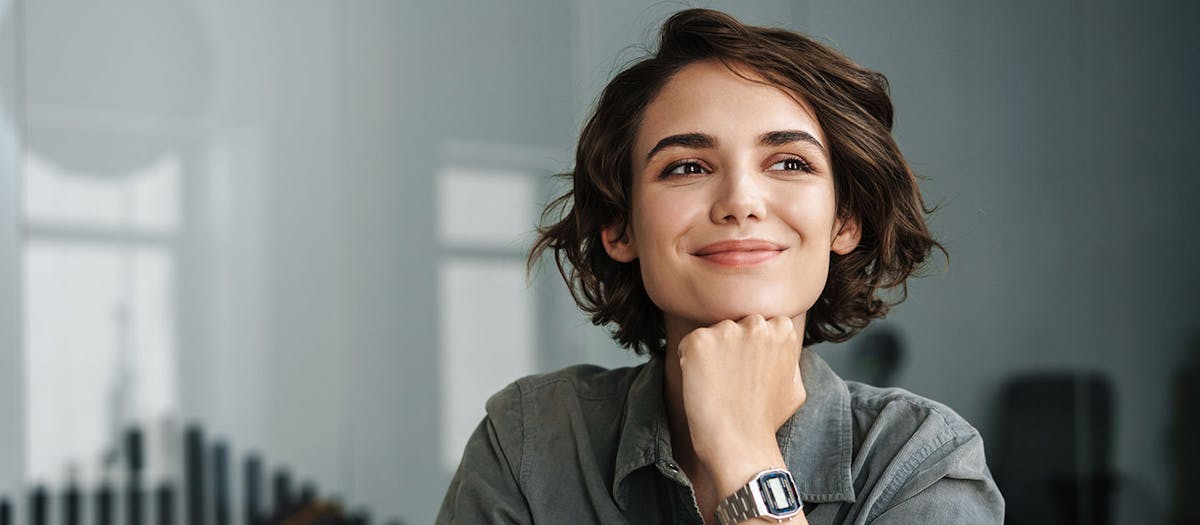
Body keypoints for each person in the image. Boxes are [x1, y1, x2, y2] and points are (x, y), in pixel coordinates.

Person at [437, 8, 1003, 524]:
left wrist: (742, 450)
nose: (740, 200)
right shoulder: (529, 442)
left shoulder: (923, 461)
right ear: (620, 227)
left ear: (844, 222)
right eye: (686, 168)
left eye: (788, 162)